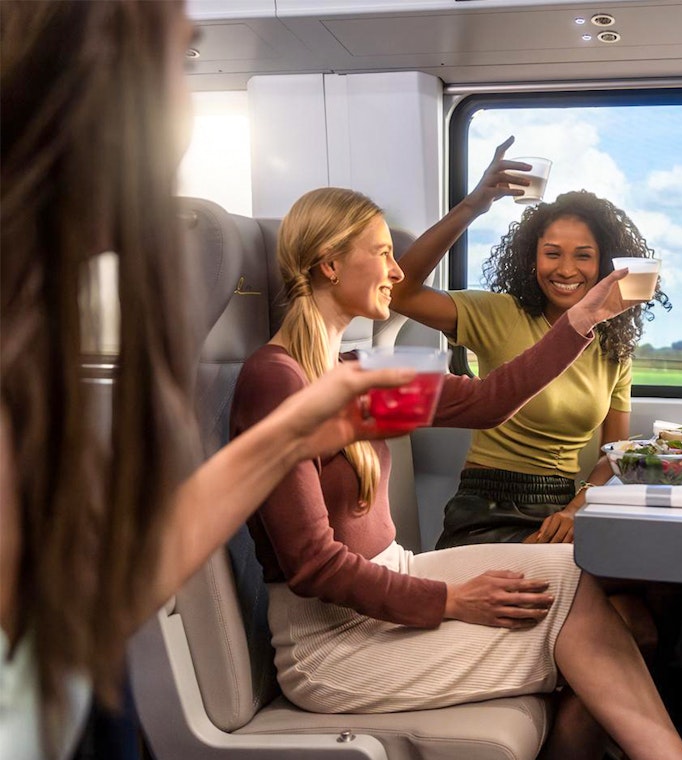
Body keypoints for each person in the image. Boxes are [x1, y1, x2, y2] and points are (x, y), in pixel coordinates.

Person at [0, 3, 425, 759]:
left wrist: (295, 432)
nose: (184, 110)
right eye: (174, 64)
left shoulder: (31, 358)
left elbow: (101, 597)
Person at [231, 186, 682, 760]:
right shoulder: (277, 381)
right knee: (571, 624)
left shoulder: (358, 373)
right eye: (382, 252)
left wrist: (586, 316)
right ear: (329, 263)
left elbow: (487, 403)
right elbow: (312, 567)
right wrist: (447, 600)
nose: (397, 271)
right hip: (332, 644)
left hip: (385, 589)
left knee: (574, 574)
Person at [388, 145, 682, 663]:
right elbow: (399, 293)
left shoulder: (613, 344)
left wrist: (577, 505)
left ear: (605, 265)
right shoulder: (496, 313)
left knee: (665, 585)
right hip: (490, 506)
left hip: (563, 511)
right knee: (620, 625)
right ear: (532, 258)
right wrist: (471, 207)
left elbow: (615, 451)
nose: (566, 269)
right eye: (552, 252)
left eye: (583, 255)